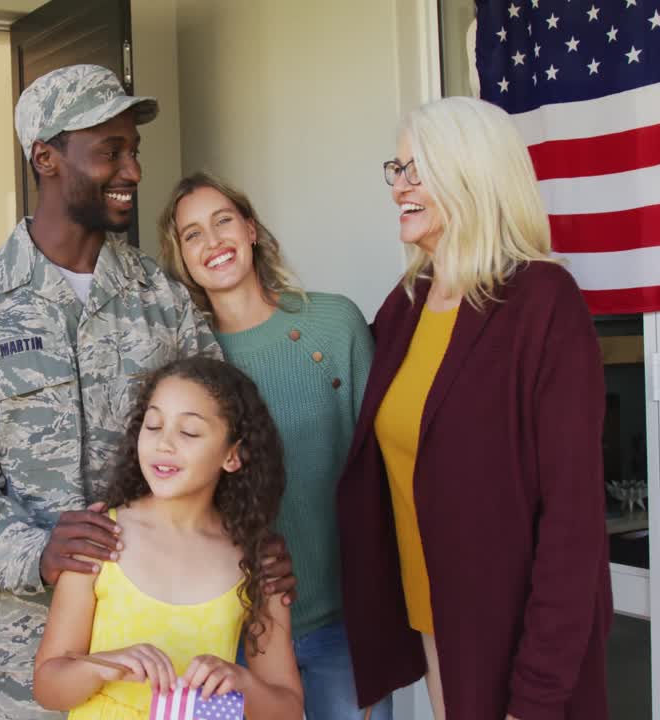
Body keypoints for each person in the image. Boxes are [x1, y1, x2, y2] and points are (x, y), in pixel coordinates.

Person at [0, 64, 297, 720]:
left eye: (135, 151)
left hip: (166, 650)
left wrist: (253, 548)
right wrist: (38, 551)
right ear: (47, 158)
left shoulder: (162, 300)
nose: (133, 171)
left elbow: (224, 435)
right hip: (34, 655)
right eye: (110, 151)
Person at [336, 96, 612, 719]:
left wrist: (536, 694)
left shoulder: (544, 301)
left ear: (471, 175)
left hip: (514, 640)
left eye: (416, 170)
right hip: (434, 618)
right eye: (396, 169)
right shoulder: (407, 305)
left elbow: (572, 520)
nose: (397, 188)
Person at [158, 172, 390, 720]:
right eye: (192, 236)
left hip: (343, 626)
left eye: (222, 222)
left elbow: (381, 466)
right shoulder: (190, 364)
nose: (212, 243)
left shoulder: (334, 325)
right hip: (232, 636)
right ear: (182, 261)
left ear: (252, 229)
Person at [33, 356, 304, 719]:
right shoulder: (99, 541)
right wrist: (101, 665)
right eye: (153, 425)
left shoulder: (257, 562)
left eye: (189, 432)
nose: (164, 444)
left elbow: (287, 708)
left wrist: (241, 682)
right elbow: (48, 688)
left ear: (233, 455)